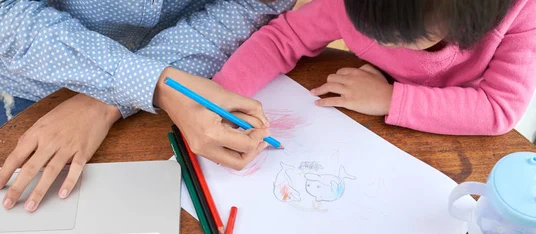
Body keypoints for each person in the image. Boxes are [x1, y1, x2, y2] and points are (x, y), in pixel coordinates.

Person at [0, 0, 294, 212]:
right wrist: (146, 83)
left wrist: (106, 102)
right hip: (38, 83)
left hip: (182, 66)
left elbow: (253, 5)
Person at [213, 0, 536, 136]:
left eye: (401, 39)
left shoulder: (520, 14)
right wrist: (222, 96)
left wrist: (390, 99)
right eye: (365, 28)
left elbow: (500, 107)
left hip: (455, 111)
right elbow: (285, 36)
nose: (381, 43)